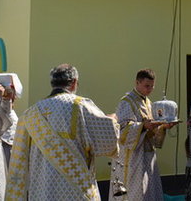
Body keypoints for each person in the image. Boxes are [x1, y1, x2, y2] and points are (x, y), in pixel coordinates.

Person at [7, 63, 119, 200]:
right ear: (74, 82)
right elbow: (108, 141)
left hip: (42, 191)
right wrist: (113, 121)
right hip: (75, 190)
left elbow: (19, 159)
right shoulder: (80, 105)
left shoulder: (29, 114)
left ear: (53, 83)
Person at [109, 68, 176, 201]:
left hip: (147, 156)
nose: (149, 89)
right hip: (132, 158)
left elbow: (152, 131)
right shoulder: (126, 102)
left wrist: (163, 127)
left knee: (148, 192)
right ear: (137, 82)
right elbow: (121, 130)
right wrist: (142, 125)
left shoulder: (149, 103)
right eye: (146, 86)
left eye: (152, 86)